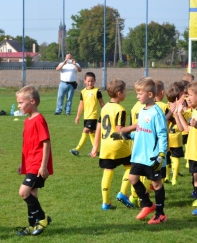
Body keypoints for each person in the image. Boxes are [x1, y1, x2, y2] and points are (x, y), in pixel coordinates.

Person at [111, 77, 168, 224]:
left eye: (140, 93)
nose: (137, 96)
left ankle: (160, 214)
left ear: (150, 95)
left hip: (153, 156)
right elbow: (142, 131)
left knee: (156, 184)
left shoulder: (157, 113)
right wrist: (127, 135)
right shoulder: (142, 111)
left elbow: (162, 135)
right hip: (139, 154)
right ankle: (148, 204)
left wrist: (161, 154)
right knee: (133, 178)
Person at [90, 79, 135, 210]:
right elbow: (119, 130)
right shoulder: (120, 109)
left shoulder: (104, 108)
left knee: (108, 171)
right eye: (125, 91)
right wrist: (135, 126)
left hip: (106, 146)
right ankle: (122, 193)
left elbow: (98, 127)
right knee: (131, 167)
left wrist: (95, 146)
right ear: (119, 93)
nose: (127, 93)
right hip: (118, 144)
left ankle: (105, 202)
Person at [15, 85, 53, 236]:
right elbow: (28, 145)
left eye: (21, 103)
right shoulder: (27, 121)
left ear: (32, 101)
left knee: (24, 192)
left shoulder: (39, 120)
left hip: (38, 164)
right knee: (32, 194)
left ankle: (42, 219)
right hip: (30, 163)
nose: (19, 106)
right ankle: (33, 225)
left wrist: (43, 166)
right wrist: (22, 163)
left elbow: (46, 142)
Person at [70, 72, 104, 156]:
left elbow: (101, 102)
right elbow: (81, 104)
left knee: (85, 130)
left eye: (92, 81)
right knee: (91, 132)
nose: (90, 83)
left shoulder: (97, 91)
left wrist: (105, 112)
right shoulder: (83, 92)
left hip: (93, 116)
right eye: (88, 81)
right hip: (86, 116)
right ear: (85, 81)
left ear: (95, 81)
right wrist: (78, 116)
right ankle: (96, 151)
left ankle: (77, 149)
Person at [176, 81, 197, 215]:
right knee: (195, 180)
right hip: (193, 152)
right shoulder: (194, 111)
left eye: (189, 95)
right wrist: (178, 114)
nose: (187, 98)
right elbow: (185, 129)